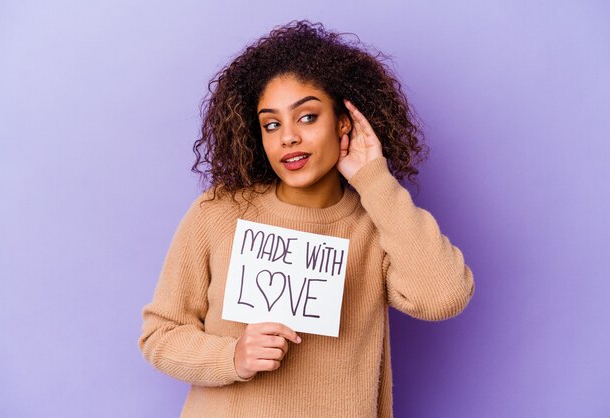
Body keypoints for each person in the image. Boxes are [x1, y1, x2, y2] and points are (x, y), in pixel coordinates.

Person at [138, 20, 475, 418]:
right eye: (272, 124)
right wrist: (233, 357)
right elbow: (160, 336)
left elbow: (443, 297)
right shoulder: (219, 212)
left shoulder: (377, 224)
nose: (288, 138)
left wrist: (375, 180)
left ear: (344, 123)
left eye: (308, 117)